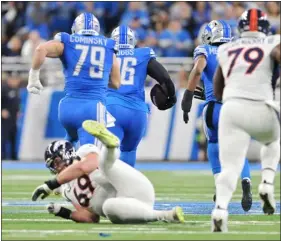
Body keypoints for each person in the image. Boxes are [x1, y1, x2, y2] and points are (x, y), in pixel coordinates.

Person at [33, 121, 185, 224]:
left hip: (134, 188)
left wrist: (51, 184)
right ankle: (166, 215)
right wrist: (63, 212)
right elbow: (90, 217)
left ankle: (111, 146)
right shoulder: (67, 190)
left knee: (102, 166)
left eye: (56, 162)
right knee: (108, 207)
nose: (55, 168)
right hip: (127, 207)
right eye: (52, 165)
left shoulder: (83, 152)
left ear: (66, 154)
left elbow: (85, 167)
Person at [211, 9, 280, 232]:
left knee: (229, 167)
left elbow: (217, 88)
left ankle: (220, 209)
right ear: (265, 27)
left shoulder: (226, 48)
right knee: (272, 141)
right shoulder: (273, 42)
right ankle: (267, 182)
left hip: (231, 109)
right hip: (261, 106)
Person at [27, 13, 121, 177]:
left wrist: (33, 77)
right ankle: (71, 186)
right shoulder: (107, 45)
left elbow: (40, 49)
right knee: (90, 158)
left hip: (67, 108)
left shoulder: (68, 41)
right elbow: (116, 83)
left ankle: (58, 163)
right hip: (92, 108)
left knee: (70, 140)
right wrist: (96, 78)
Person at [181, 20, 253, 212]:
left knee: (213, 144)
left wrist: (188, 96)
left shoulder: (205, 49)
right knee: (239, 148)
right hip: (238, 105)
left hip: (215, 107)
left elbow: (198, 69)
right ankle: (246, 180)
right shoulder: (239, 50)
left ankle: (220, 185)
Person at [107, 25, 177, 167]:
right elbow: (165, 78)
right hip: (137, 112)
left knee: (107, 152)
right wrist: (172, 97)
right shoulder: (143, 54)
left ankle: (105, 187)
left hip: (112, 107)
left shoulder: (106, 54)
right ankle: (126, 188)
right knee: (129, 151)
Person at [1, 73, 22, 160]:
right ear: (9, 80)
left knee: (13, 137)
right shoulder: (3, 89)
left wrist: (18, 111)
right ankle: (3, 156)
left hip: (13, 118)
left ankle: (13, 157)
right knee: (3, 137)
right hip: (5, 118)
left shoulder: (16, 90)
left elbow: (17, 103)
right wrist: (1, 110)